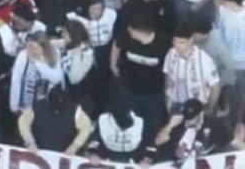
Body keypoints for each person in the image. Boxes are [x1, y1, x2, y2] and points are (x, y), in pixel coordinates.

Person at [111, 13, 170, 143]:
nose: (129, 31)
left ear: (141, 31)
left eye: (132, 29)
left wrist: (167, 89)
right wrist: (113, 64)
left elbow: (169, 68)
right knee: (122, 116)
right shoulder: (126, 37)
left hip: (153, 92)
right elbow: (117, 44)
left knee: (152, 124)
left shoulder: (164, 43)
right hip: (128, 87)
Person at [147, 98, 238, 165]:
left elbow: (234, 141)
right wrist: (170, 125)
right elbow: (158, 141)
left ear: (200, 114)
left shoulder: (214, 125)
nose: (188, 121)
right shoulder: (179, 123)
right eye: (187, 118)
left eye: (192, 118)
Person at [163, 25, 221, 114]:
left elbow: (215, 86)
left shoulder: (204, 60)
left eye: (182, 42)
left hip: (197, 106)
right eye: (175, 41)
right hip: (177, 103)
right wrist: (168, 97)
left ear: (190, 40)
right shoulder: (171, 54)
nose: (177, 45)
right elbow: (168, 75)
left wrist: (210, 106)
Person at [18, 86, 92, 154]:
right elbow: (23, 121)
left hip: (63, 157)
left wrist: (74, 146)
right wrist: (30, 142)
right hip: (38, 153)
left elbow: (86, 126)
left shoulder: (76, 111)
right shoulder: (37, 107)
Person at [9, 31, 63, 114]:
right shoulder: (23, 56)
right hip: (26, 107)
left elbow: (56, 78)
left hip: (47, 106)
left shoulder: (54, 53)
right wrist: (14, 105)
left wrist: (37, 61)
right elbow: (17, 80)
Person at [216, 0, 245, 131]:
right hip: (225, 62)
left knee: (236, 100)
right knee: (226, 97)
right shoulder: (222, 12)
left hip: (240, 65)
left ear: (232, 1)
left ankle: (233, 129)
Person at [87, 99, 145, 164]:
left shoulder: (140, 120)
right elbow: (95, 138)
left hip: (133, 157)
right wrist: (94, 153)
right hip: (106, 155)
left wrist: (145, 158)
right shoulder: (103, 119)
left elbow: (146, 141)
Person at [57, 20, 94, 105]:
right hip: (65, 89)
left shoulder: (86, 53)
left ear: (73, 35)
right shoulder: (70, 44)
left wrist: (76, 55)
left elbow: (74, 79)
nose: (62, 35)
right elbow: (53, 43)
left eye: (65, 33)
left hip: (78, 96)